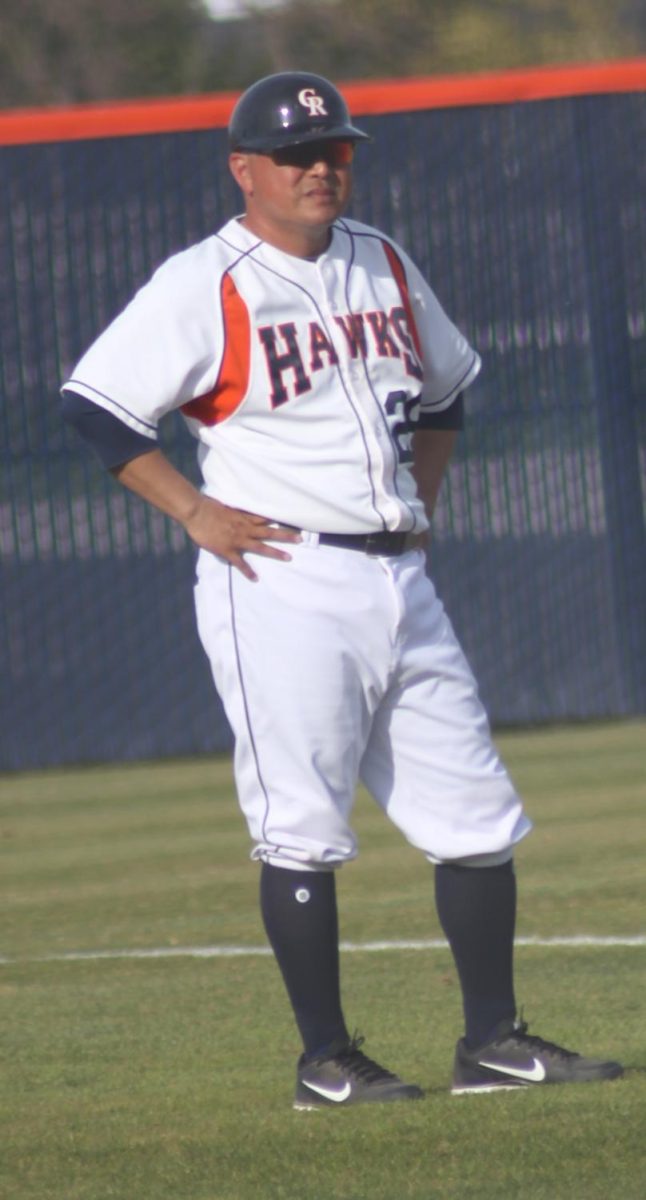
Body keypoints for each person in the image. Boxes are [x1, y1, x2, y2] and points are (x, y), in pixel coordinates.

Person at [61, 71, 623, 1107]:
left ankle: (490, 1043)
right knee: (303, 825)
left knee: (474, 817)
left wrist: (422, 499)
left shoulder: (384, 262)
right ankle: (324, 1062)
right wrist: (193, 512)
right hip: (277, 575)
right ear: (245, 171)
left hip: (398, 572)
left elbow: (449, 387)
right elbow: (97, 408)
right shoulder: (204, 280)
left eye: (335, 151)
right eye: (295, 156)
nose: (320, 170)